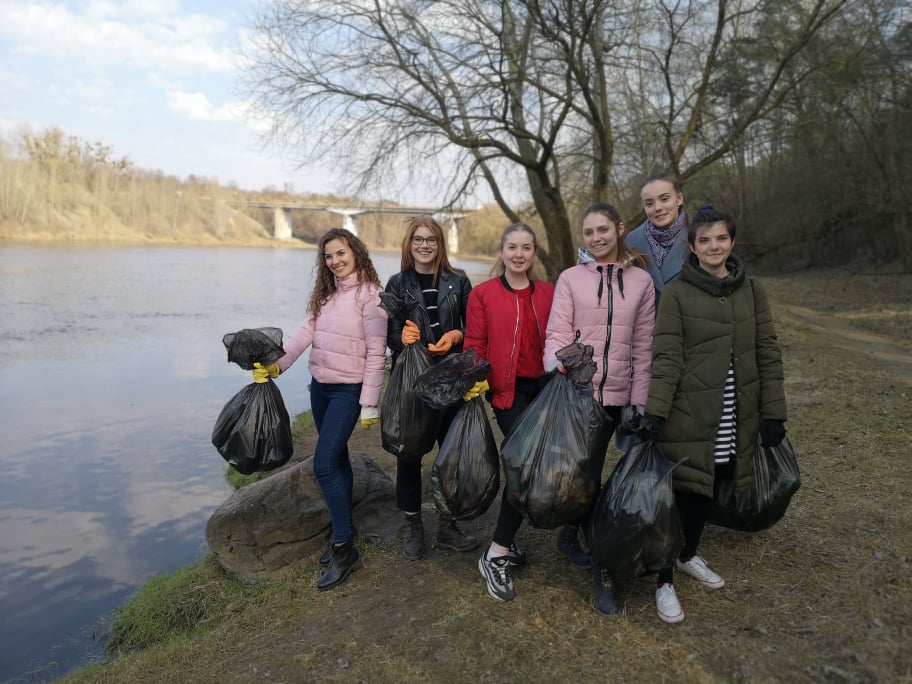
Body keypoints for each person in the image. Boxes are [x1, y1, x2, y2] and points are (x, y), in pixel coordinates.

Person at [641, 206, 787, 624]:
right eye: (704, 240)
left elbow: (767, 352)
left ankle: (687, 555)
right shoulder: (677, 292)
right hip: (689, 413)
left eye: (720, 238)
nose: (713, 246)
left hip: (737, 412)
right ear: (692, 246)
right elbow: (666, 358)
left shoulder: (752, 291)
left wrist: (774, 413)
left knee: (712, 485)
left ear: (732, 242)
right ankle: (664, 581)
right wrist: (655, 412)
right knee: (683, 492)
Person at [252, 228, 387, 591]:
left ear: (356, 252)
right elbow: (301, 335)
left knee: (323, 464)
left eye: (341, 253)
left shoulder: (370, 296)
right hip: (321, 388)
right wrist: (278, 365)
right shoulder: (325, 295)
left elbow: (377, 350)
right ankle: (345, 529)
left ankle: (344, 548)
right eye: (328, 256)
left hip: (348, 389)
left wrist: (370, 402)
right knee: (337, 460)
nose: (335, 261)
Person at [541, 203, 656, 615]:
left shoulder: (641, 281)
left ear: (620, 229)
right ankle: (590, 550)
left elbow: (644, 346)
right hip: (579, 394)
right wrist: (568, 369)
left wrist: (639, 401)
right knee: (583, 473)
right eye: (588, 232)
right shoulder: (571, 278)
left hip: (620, 396)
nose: (596, 238)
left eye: (603, 230)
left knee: (605, 475)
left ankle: (586, 544)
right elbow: (557, 333)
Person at [463, 223, 555, 601]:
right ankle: (496, 553)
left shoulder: (550, 293)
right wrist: (476, 375)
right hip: (507, 394)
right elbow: (475, 343)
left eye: (527, 248)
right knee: (524, 464)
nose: (519, 254)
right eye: (512, 247)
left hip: (547, 391)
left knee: (539, 466)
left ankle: (512, 539)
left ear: (534, 254)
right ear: (501, 252)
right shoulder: (483, 294)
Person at [385, 215, 477, 559]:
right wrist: (402, 338)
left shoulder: (459, 280)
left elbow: (474, 327)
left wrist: (459, 335)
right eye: (418, 240)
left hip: (453, 375)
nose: (424, 245)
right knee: (409, 454)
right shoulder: (397, 283)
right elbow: (390, 335)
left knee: (451, 453)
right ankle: (413, 525)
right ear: (409, 245)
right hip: (413, 381)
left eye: (431, 240)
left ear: (441, 244)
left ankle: (446, 525)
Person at [625, 174, 690, 305]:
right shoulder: (632, 241)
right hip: (647, 324)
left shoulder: (700, 238)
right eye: (649, 203)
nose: (657, 208)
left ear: (679, 199)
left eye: (664, 199)